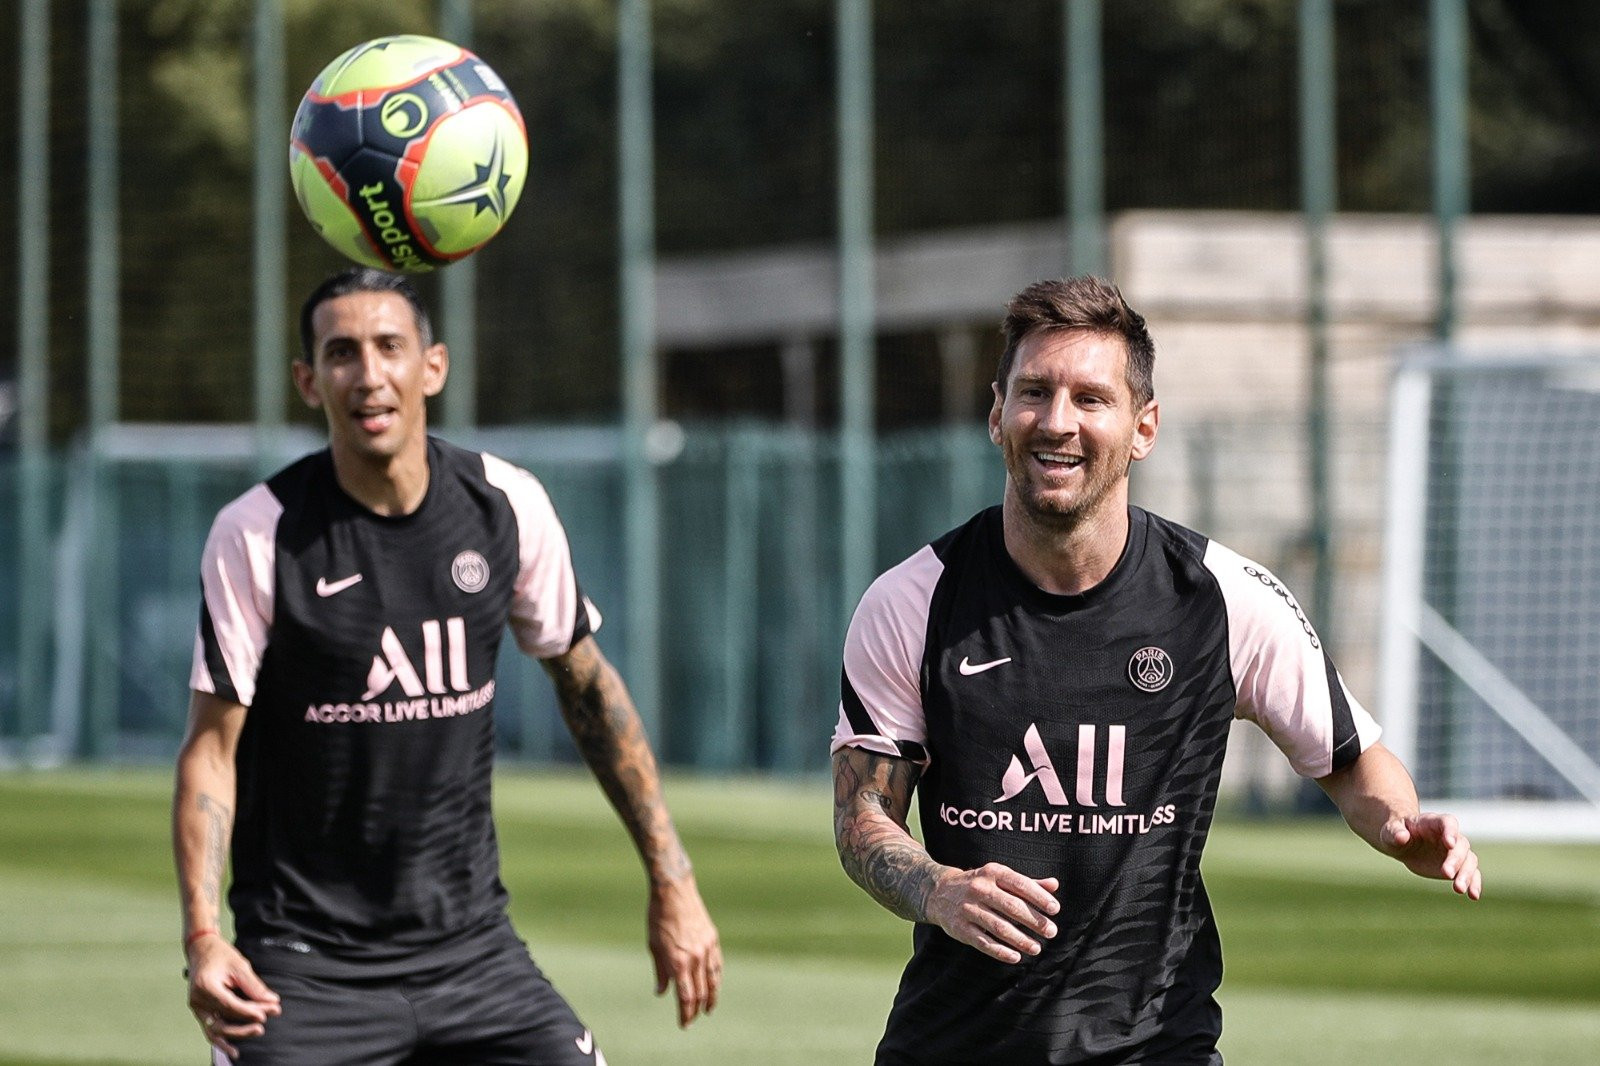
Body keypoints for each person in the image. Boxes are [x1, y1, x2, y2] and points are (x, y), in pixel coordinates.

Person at [830, 275, 1482, 1065]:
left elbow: (1353, 763)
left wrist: (1400, 826)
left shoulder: (1224, 599)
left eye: (1090, 398)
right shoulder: (914, 602)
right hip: (953, 1045)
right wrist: (936, 888)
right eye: (1035, 391)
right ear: (998, 413)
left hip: (1154, 1046)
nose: (1058, 422)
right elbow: (864, 815)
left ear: (1144, 427)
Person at [174, 267, 721, 1065]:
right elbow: (211, 752)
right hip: (302, 969)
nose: (369, 375)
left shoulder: (508, 503)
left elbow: (591, 694)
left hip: (474, 956)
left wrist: (673, 879)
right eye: (342, 353)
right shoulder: (258, 533)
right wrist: (202, 937)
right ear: (307, 380)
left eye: (390, 347)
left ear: (433, 365)